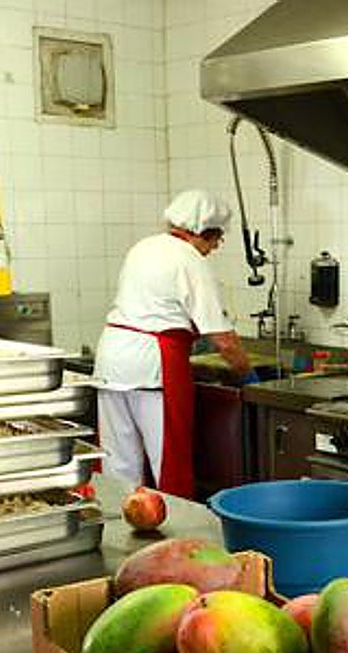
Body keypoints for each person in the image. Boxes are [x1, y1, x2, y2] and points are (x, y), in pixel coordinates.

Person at [93, 189, 253, 499]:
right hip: (154, 363)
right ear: (204, 232)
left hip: (112, 359)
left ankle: (118, 522)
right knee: (169, 460)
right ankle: (177, 526)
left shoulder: (144, 247)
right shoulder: (190, 261)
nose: (216, 246)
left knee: (117, 461)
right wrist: (247, 374)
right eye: (217, 238)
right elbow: (223, 340)